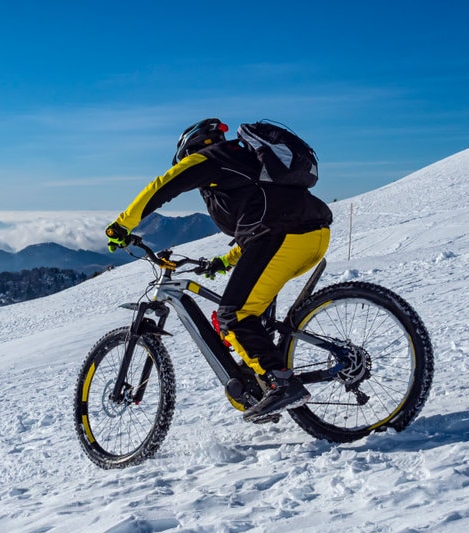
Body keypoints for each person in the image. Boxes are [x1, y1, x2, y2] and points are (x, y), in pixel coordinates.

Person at [105, 118, 333, 422]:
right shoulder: (244, 166)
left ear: (190, 150)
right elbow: (260, 219)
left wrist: (123, 224)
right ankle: (264, 389)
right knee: (252, 314)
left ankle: (282, 382)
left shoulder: (210, 159)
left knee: (233, 315)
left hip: (284, 238)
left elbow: (162, 187)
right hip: (309, 237)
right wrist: (225, 261)